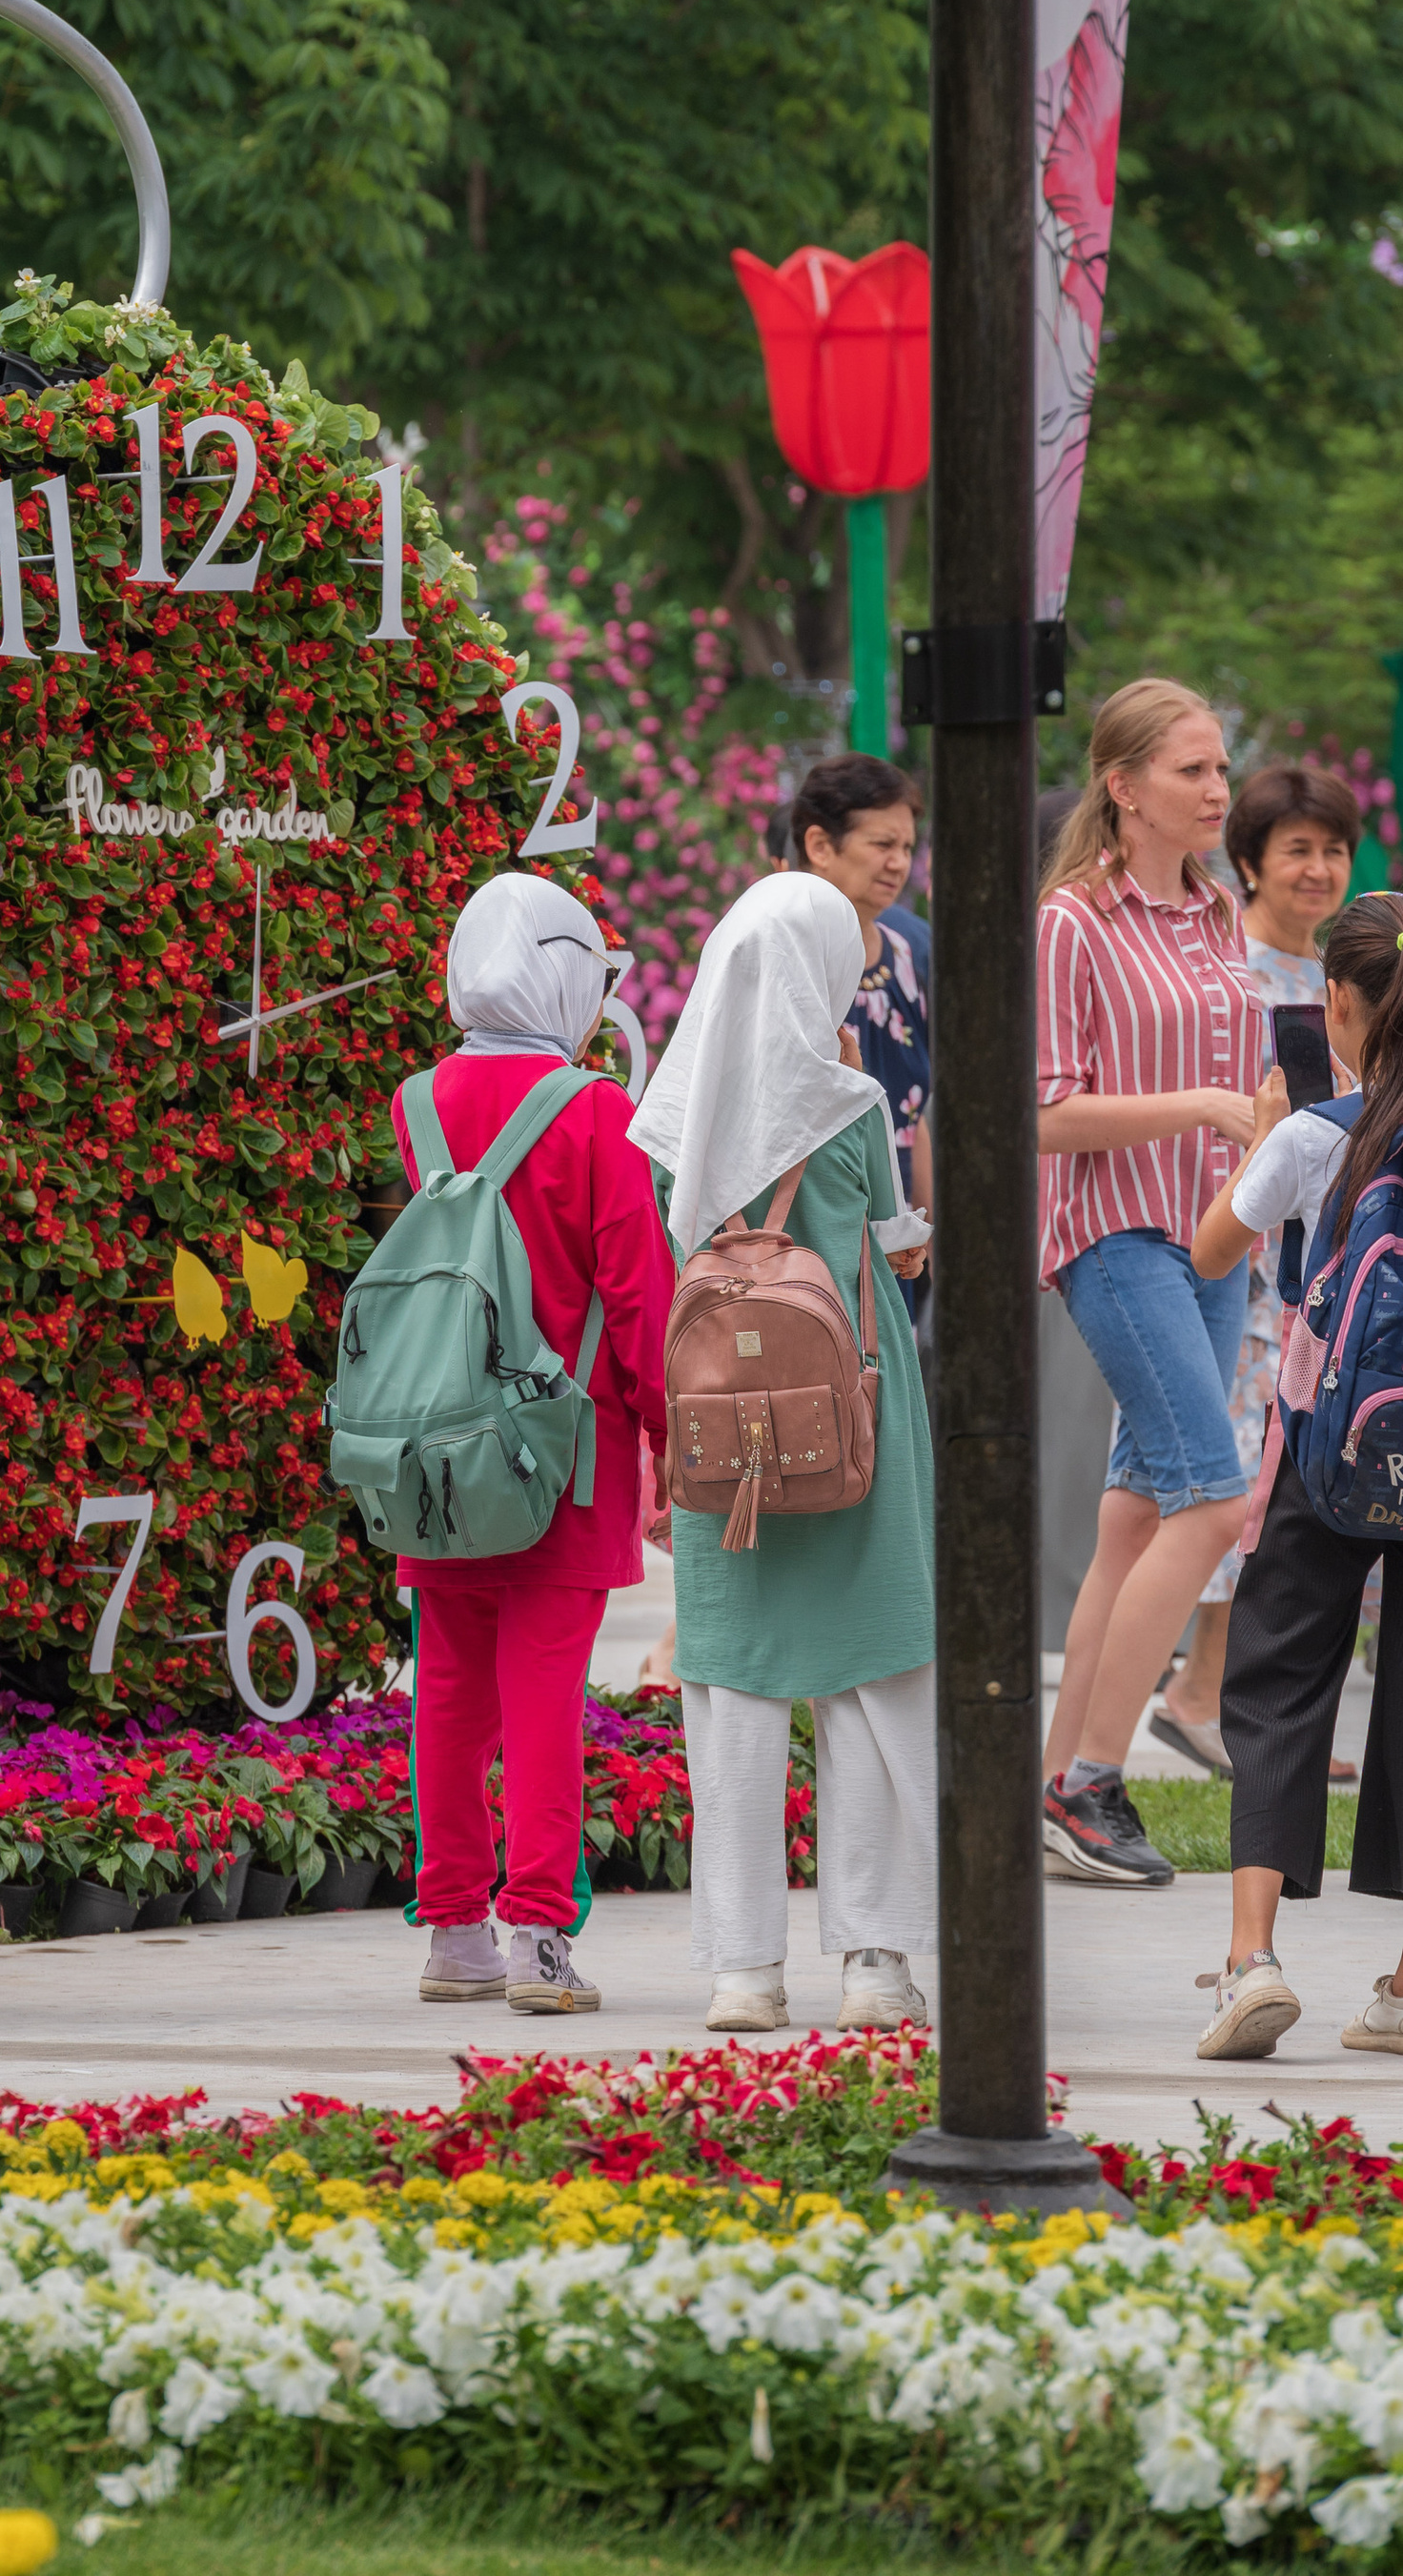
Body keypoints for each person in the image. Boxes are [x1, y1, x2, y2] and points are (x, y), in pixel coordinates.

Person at [628, 870, 935, 2036]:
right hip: (847, 1415)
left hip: (723, 1431)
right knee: (869, 1681)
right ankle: (871, 1961)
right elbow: (891, 1239)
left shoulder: (669, 1109)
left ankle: (742, 1971)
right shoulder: (848, 1100)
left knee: (737, 1695)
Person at [391, 875, 671, 2018]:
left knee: (449, 1688)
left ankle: (452, 1929)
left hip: (435, 1443)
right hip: (567, 1450)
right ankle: (539, 1938)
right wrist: (670, 1435)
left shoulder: (418, 1100)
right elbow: (635, 1290)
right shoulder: (595, 1110)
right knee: (547, 1691)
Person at [1036, 678, 1268, 1887]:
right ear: (1123, 788)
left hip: (1215, 1242)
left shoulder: (1220, 914)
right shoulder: (1072, 919)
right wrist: (1199, 1107)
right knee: (1212, 1506)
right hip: (1117, 1239)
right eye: (1190, 770)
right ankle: (1089, 1784)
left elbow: (1239, 1099)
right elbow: (1041, 1115)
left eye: (1220, 767)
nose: (1216, 789)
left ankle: (1060, 1777)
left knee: (1134, 1521)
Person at [1195, 893, 1403, 2061]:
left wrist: (1266, 1130)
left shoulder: (1314, 1132)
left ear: (1336, 1004)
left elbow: (1210, 1249)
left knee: (1276, 1681)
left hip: (1327, 1450)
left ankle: (1250, 1958)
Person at [1154, 758, 1359, 1776]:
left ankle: (1248, 1705)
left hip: (1337, 1281)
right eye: (1296, 851)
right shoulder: (1231, 981)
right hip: (1245, 1271)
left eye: (1331, 850)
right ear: (1249, 864)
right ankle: (1205, 1692)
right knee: (1244, 1482)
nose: (1316, 870)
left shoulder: (1353, 982)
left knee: (1289, 1477)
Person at [783, 754, 933, 1225]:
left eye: (907, 847)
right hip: (804, 1239)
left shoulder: (908, 957)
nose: (899, 863)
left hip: (894, 1241)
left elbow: (912, 1118)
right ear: (820, 845)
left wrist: (920, 1229)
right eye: (883, 844)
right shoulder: (783, 956)